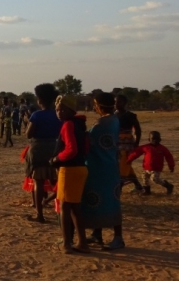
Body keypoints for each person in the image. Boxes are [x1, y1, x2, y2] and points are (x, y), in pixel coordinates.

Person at [84, 92, 125, 250]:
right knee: (105, 200)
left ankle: (118, 238)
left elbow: (90, 142)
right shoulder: (114, 119)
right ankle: (97, 233)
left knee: (107, 202)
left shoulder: (102, 123)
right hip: (110, 166)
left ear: (99, 106)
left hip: (99, 168)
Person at [50, 95, 90, 254]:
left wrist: (56, 159)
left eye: (62, 109)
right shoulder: (80, 124)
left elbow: (71, 150)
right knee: (75, 208)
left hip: (69, 170)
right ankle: (82, 242)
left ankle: (66, 243)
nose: (59, 113)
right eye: (57, 110)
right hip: (81, 168)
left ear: (70, 110)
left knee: (65, 208)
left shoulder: (68, 125)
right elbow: (85, 148)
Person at [24, 84, 61, 223]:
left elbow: (28, 134)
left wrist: (28, 122)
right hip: (54, 148)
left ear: (40, 100)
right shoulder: (58, 114)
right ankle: (59, 210)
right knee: (56, 181)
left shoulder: (36, 115)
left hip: (38, 149)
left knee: (38, 183)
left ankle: (39, 214)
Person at [127, 131, 174, 195]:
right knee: (144, 177)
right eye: (153, 139)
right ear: (149, 139)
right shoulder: (145, 147)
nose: (155, 140)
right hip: (146, 168)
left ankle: (168, 185)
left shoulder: (162, 149)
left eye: (157, 139)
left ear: (160, 140)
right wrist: (129, 159)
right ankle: (147, 190)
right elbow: (136, 153)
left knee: (154, 179)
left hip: (156, 168)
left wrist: (171, 166)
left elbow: (169, 157)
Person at [115, 95, 145, 193]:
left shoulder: (130, 115)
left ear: (124, 103)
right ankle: (138, 187)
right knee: (126, 165)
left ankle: (118, 189)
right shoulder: (112, 115)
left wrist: (136, 143)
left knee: (123, 166)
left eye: (119, 102)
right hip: (116, 143)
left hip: (127, 144)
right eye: (115, 102)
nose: (116, 104)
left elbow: (138, 130)